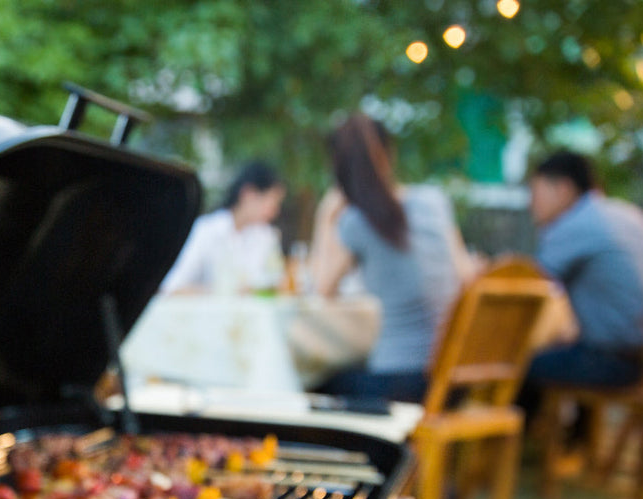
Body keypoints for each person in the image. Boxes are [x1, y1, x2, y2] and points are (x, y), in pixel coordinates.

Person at [305, 113, 478, 402]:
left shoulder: (356, 221)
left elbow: (319, 294)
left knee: (313, 381)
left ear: (338, 169)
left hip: (400, 384)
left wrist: (324, 218)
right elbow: (466, 278)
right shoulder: (434, 201)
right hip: (452, 382)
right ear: (391, 154)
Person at [522, 150, 643, 396]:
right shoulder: (629, 214)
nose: (531, 204)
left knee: (516, 364)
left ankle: (523, 434)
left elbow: (524, 286)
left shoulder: (575, 223)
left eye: (535, 193)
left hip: (613, 363)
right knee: (563, 348)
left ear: (563, 189)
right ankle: (572, 433)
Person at [158, 161, 287, 295]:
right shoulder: (206, 230)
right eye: (272, 203)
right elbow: (171, 286)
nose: (275, 211)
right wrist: (222, 292)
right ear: (248, 194)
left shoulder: (266, 236)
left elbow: (276, 284)